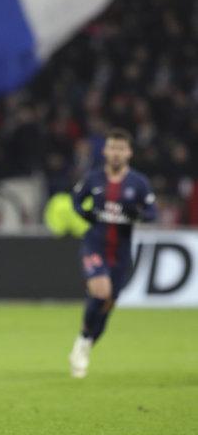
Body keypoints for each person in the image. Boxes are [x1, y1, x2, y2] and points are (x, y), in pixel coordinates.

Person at [69, 128, 157, 378]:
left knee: (108, 304)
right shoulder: (94, 178)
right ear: (105, 151)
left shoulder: (138, 183)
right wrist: (86, 214)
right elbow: (76, 200)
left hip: (121, 252)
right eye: (112, 148)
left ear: (129, 153)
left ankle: (85, 344)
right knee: (101, 290)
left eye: (121, 148)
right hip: (95, 244)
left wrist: (137, 214)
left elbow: (152, 213)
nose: (116, 153)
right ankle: (83, 340)